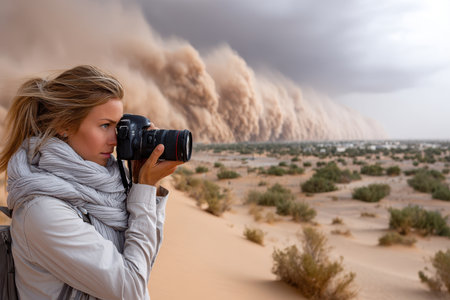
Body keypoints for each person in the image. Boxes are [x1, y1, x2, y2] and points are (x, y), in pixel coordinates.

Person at [0, 65, 182, 299]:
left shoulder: (105, 189)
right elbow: (132, 289)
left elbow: (142, 263)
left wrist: (146, 188)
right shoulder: (42, 211)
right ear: (64, 126)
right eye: (105, 125)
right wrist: (143, 191)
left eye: (118, 126)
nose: (115, 140)